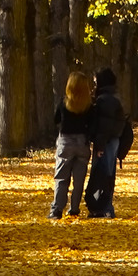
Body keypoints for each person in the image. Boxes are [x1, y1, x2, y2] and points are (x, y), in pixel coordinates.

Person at [49, 72, 93, 219]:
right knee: (79, 180)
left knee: (61, 177)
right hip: (82, 143)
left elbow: (56, 119)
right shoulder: (88, 105)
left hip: (65, 142)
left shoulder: (64, 103)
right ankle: (74, 208)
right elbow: (92, 124)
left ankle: (57, 209)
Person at [85, 67, 125, 218]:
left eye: (96, 82)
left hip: (106, 141)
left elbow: (104, 126)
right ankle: (102, 206)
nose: (94, 84)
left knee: (102, 174)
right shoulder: (113, 97)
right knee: (107, 174)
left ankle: (103, 207)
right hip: (111, 140)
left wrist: (100, 145)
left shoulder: (105, 100)